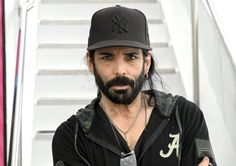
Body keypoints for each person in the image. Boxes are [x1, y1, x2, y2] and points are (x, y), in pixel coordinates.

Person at [52, 5, 216, 166]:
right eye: (107, 57)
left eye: (130, 57)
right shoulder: (72, 137)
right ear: (90, 62)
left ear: (146, 62)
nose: (120, 70)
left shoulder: (184, 117)